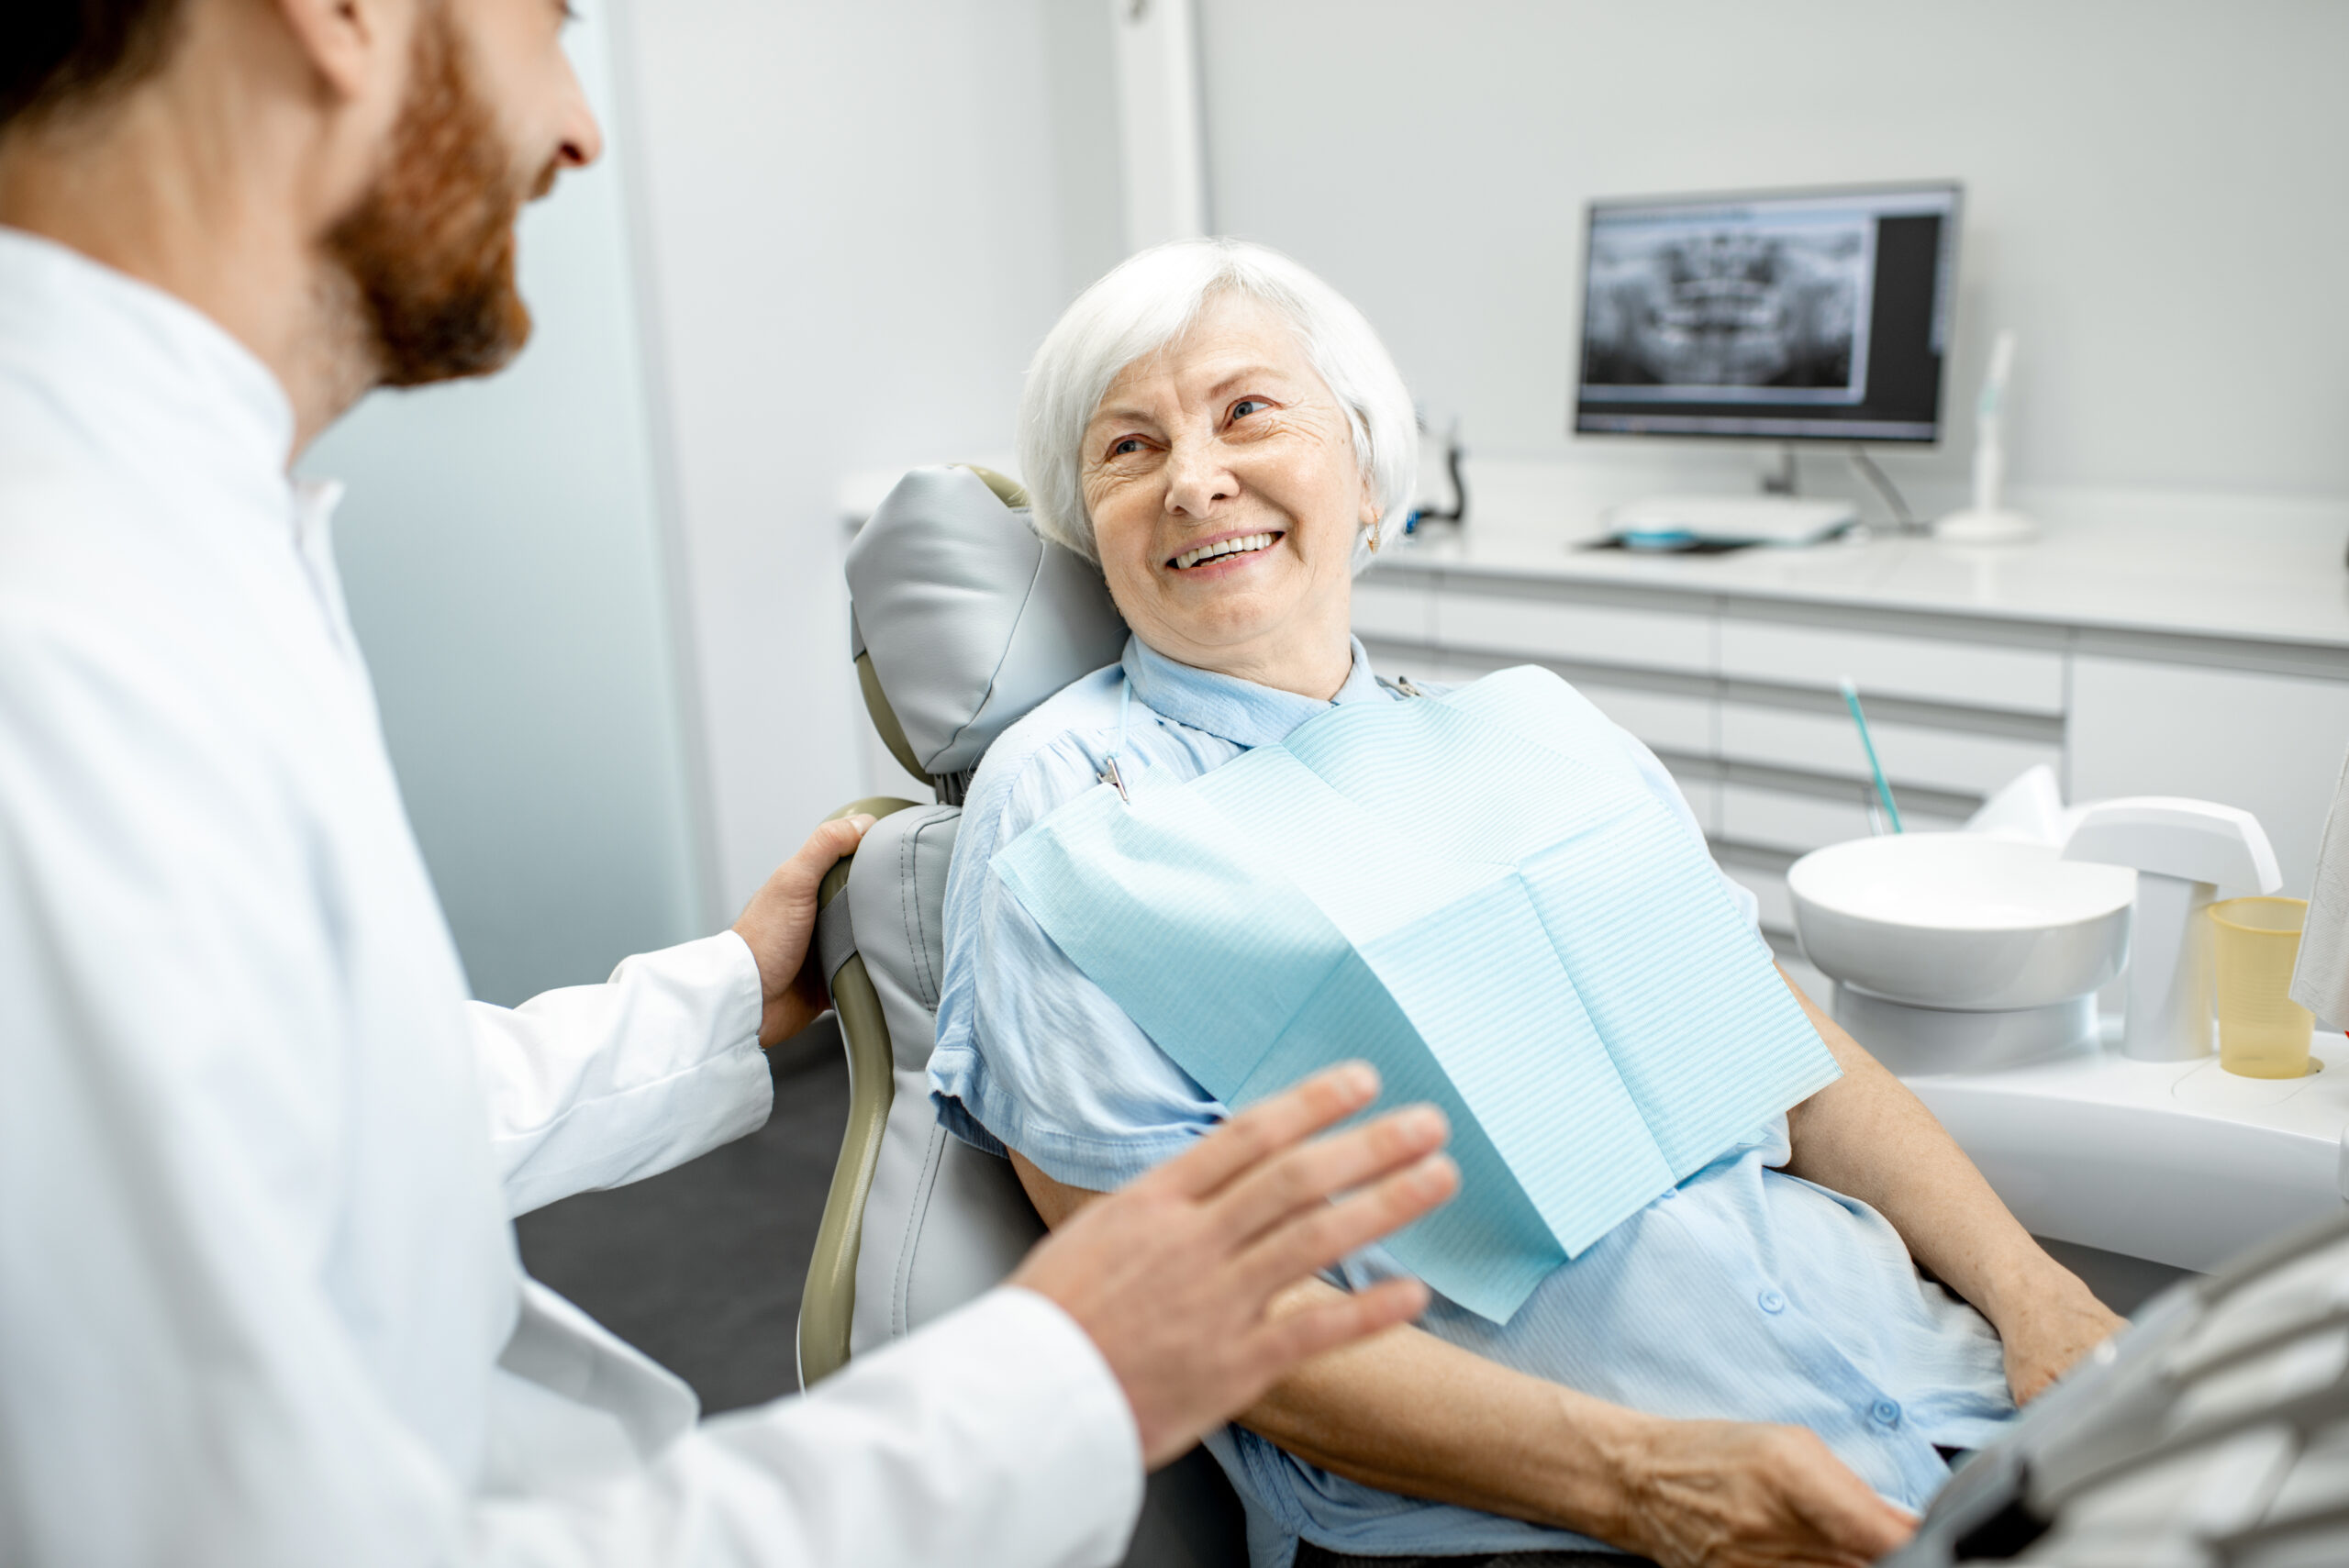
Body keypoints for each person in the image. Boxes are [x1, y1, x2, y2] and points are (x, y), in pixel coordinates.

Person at [0, 6, 1466, 1566]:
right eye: (550, 26)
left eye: (1253, 412)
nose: (579, 126)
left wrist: (710, 998)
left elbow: (299, 1120)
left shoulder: (173, 532)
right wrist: (1060, 1371)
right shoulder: (67, 640)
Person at [930, 238, 2133, 1568]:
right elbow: (1182, 1303)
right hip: (1574, 1510)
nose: (1198, 477)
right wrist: (1644, 1483)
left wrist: (2036, 1295)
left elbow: (1787, 1057)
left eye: (1249, 410)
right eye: (1128, 447)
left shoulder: (1535, 733)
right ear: (1087, 527)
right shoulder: (1076, 804)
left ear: (1372, 473)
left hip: (1928, 1385)